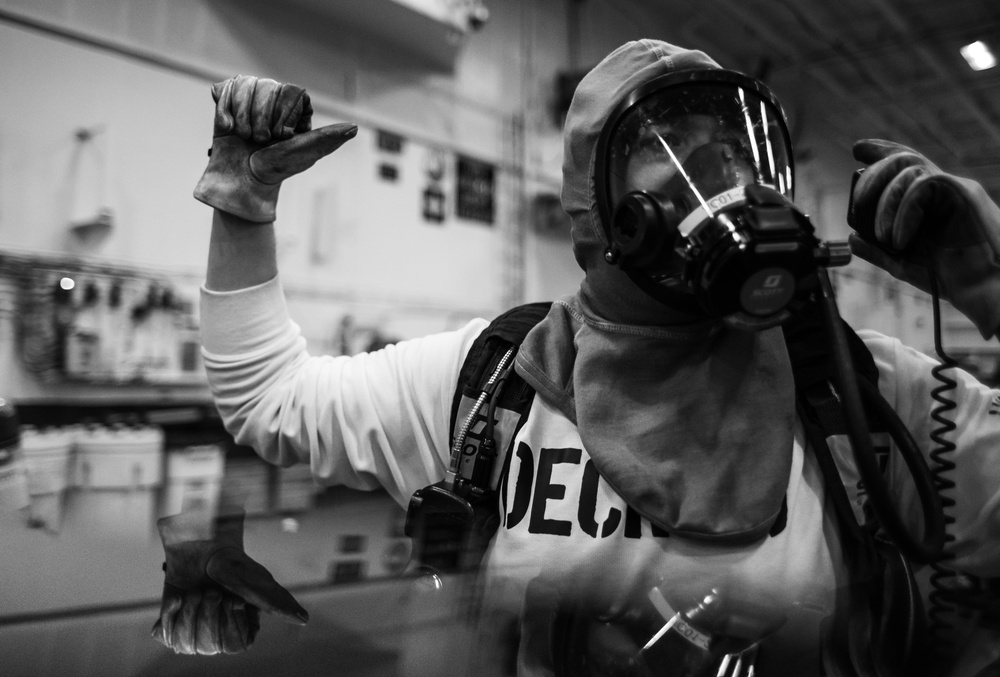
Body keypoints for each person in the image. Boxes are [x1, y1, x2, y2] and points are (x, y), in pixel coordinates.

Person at [151, 42, 1000, 676]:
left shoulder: (851, 386)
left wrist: (991, 288)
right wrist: (242, 202)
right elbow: (267, 399)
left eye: (733, 158)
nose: (724, 187)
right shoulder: (494, 379)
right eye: (672, 158)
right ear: (596, 210)